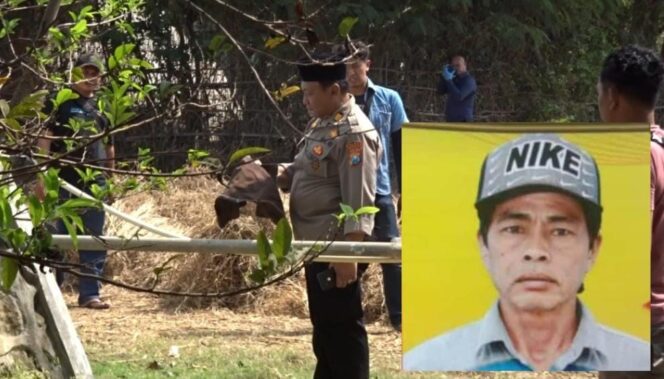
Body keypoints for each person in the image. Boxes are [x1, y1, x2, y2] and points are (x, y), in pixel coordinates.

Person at [403, 133, 649, 371]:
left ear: (593, 249)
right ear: (484, 244)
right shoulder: (427, 359)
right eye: (514, 229)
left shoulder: (636, 358)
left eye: (561, 231)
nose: (536, 250)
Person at [277, 52, 381, 378]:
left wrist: (348, 253)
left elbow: (358, 197)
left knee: (343, 329)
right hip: (317, 244)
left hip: (337, 247)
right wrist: (274, 174)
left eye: (310, 93)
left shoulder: (354, 133)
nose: (305, 101)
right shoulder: (323, 123)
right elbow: (306, 168)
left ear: (334, 91)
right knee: (325, 329)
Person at [595, 46, 664, 378]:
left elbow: (627, 250)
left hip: (640, 331)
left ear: (612, 96)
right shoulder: (660, 148)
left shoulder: (637, 156)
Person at [36, 52, 114, 310]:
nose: (91, 77)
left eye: (95, 73)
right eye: (86, 72)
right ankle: (52, 292)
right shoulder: (59, 102)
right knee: (54, 237)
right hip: (61, 181)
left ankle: (90, 293)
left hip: (94, 184)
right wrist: (42, 176)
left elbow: (108, 145)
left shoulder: (102, 109)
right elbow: (45, 139)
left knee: (93, 238)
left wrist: (109, 179)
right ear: (75, 73)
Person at [344, 41, 407, 331]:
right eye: (347, 68)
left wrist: (406, 188)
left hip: (380, 188)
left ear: (368, 65)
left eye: (356, 66)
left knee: (392, 252)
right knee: (348, 253)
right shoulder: (337, 100)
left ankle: (399, 318)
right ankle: (346, 311)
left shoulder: (388, 99)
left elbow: (400, 145)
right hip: (346, 190)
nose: (352, 73)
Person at [436, 54, 477, 122]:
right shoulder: (454, 79)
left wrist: (449, 81)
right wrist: (444, 77)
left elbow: (459, 97)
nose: (455, 68)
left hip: (463, 120)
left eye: (458, 65)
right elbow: (440, 91)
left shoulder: (469, 80)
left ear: (464, 65)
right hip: (450, 119)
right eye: (453, 66)